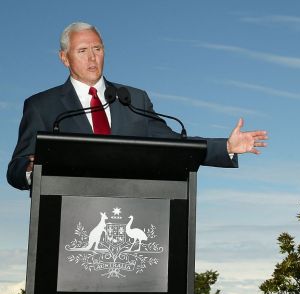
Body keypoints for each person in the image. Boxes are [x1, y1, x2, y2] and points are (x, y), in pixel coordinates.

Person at [7, 22, 268, 190]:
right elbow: (16, 168)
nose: (92, 58)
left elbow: (174, 144)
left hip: (131, 209)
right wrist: (31, 169)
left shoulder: (133, 99)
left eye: (97, 49)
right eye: (82, 50)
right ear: (64, 58)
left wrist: (226, 147)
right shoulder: (42, 105)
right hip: (65, 216)